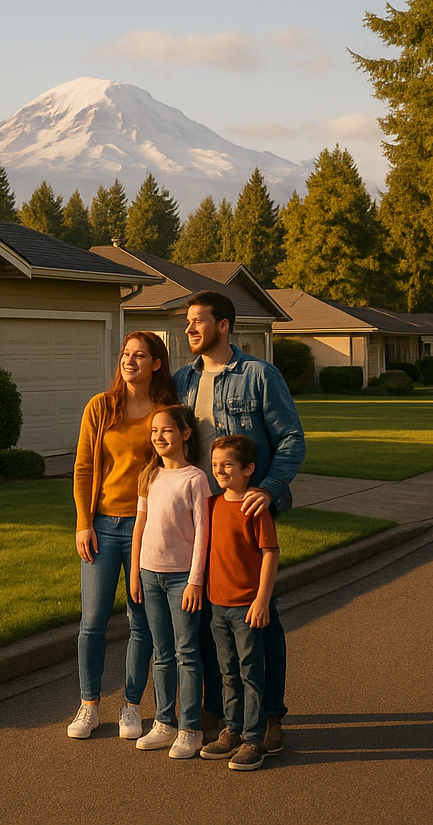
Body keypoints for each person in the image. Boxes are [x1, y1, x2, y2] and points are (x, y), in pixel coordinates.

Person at [173, 289, 304, 755]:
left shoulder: (258, 375)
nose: (189, 329)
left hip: (244, 511)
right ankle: (226, 713)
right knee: (210, 614)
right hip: (199, 513)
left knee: (259, 618)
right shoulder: (182, 379)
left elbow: (290, 438)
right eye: (187, 322)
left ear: (224, 325)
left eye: (198, 321)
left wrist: (267, 488)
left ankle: (269, 716)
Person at [66, 331, 176, 740]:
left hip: (146, 529)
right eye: (126, 354)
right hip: (101, 526)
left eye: (139, 355)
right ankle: (89, 705)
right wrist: (83, 522)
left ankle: (132, 706)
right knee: (92, 622)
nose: (129, 361)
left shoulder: (165, 413)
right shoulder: (101, 407)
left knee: (141, 622)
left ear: (156, 363)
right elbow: (82, 469)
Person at [128, 404, 213, 759]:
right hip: (149, 575)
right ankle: (164, 722)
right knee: (161, 654)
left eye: (166, 430)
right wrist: (134, 572)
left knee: (186, 653)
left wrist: (195, 581)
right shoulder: (149, 476)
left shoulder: (195, 479)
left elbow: (203, 535)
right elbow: (140, 527)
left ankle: (190, 727)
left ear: (185, 434)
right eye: (153, 432)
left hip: (182, 579)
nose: (159, 437)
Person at [198, 435, 278, 771]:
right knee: (227, 671)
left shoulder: (255, 507)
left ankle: (253, 739)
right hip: (217, 606)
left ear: (248, 469)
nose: (220, 470)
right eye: (215, 465)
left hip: (247, 606)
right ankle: (231, 730)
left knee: (250, 674)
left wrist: (262, 600)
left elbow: (270, 554)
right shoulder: (213, 504)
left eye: (228, 465)